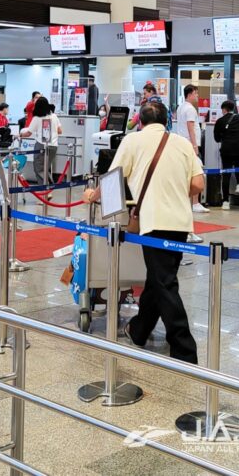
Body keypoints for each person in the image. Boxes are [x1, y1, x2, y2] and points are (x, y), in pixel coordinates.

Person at [83, 101, 203, 364]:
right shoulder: (182, 143)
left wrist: (94, 195)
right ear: (167, 121)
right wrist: (174, 195)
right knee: (159, 278)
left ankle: (184, 349)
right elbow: (197, 183)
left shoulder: (132, 140)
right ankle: (139, 330)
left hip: (154, 220)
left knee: (164, 282)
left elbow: (112, 175)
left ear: (141, 121)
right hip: (181, 222)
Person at [175, 85, 209, 220]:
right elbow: (191, 128)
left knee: (187, 173)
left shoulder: (181, 107)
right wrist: (194, 145)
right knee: (196, 172)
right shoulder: (190, 109)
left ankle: (190, 201)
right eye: (195, 93)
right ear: (189, 94)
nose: (197, 96)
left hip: (183, 144)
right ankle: (195, 202)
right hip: (189, 145)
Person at [214, 100, 239, 210]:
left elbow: (216, 139)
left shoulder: (220, 121)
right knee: (238, 166)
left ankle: (225, 201)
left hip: (226, 150)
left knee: (226, 174)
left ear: (224, 109)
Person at [20, 97, 62, 185]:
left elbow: (28, 133)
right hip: (54, 146)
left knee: (39, 168)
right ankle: (49, 188)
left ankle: (45, 189)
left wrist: (19, 135)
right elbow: (60, 131)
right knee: (46, 168)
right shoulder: (54, 116)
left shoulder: (37, 118)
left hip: (41, 145)